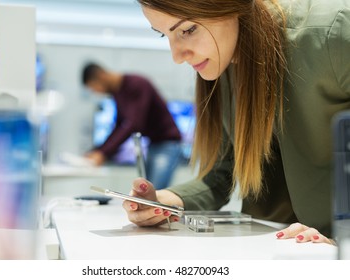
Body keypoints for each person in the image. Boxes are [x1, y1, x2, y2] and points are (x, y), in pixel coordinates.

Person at [122, 0, 350, 245]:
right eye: (163, 35)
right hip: (277, 246)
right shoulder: (225, 59)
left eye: (187, 30)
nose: (177, 56)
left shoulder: (333, 32)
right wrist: (165, 201)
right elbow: (222, 174)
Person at [82, 62, 182, 190]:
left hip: (168, 143)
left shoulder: (137, 84)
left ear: (101, 76)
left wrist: (103, 154)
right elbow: (119, 126)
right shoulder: (118, 93)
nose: (96, 92)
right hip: (154, 144)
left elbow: (134, 124)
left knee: (155, 192)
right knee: (147, 192)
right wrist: (98, 151)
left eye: (94, 87)